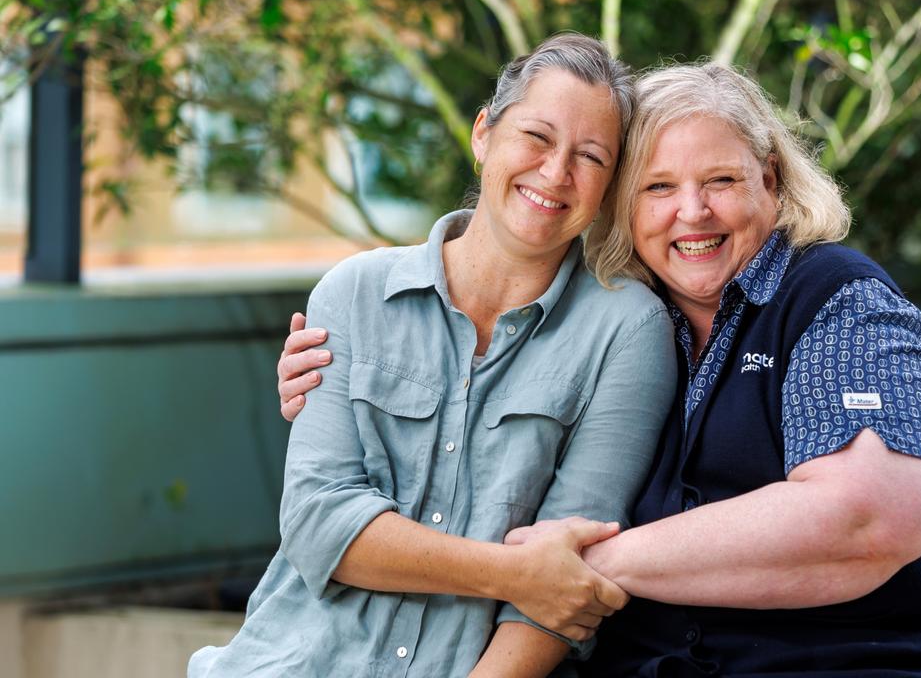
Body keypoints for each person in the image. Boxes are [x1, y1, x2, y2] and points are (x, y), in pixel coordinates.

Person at [280, 63, 921, 676]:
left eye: (720, 181)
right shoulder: (626, 333)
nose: (693, 212)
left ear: (771, 183)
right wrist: (334, 387)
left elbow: (871, 515)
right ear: (621, 206)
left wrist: (583, 567)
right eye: (657, 188)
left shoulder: (834, 302)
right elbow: (469, 430)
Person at [190, 33, 677, 678]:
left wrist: (538, 582)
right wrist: (513, 571)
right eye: (536, 136)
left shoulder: (626, 332)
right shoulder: (354, 293)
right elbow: (318, 523)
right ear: (483, 135)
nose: (556, 172)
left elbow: (564, 588)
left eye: (590, 156)